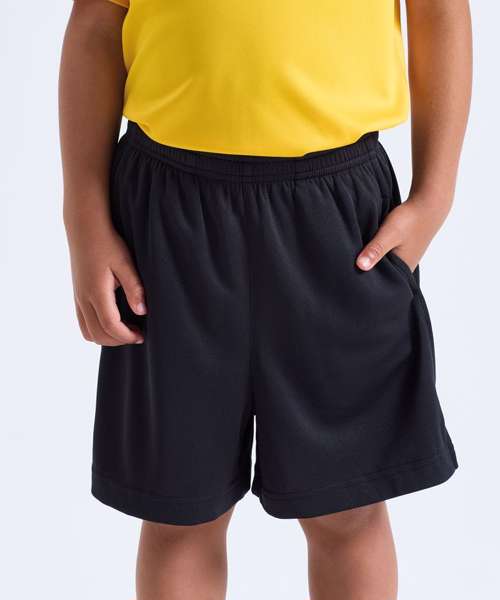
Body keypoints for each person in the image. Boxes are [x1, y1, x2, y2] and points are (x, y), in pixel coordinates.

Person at [59, 1, 472, 598]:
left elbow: (440, 9)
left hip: (340, 220)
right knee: (180, 512)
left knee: (347, 509)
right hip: (169, 216)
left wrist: (436, 193)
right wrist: (83, 215)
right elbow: (97, 20)